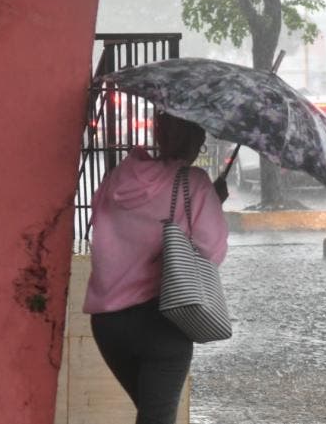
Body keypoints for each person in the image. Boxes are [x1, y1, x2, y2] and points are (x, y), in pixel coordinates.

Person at [83, 112, 229, 424]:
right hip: (162, 323)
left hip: (108, 324)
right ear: (193, 140)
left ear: (160, 135)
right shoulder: (194, 183)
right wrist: (214, 202)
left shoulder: (117, 178)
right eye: (200, 138)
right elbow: (211, 252)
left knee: (152, 415)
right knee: (158, 417)